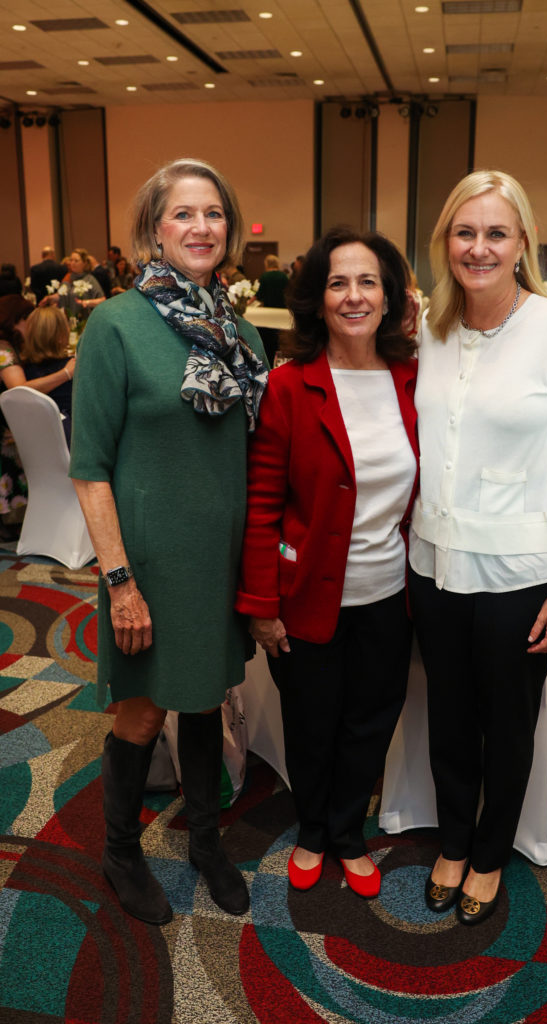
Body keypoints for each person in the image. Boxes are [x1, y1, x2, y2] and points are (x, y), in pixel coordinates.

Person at [69, 158, 268, 927]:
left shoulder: (240, 330)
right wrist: (119, 580)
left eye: (213, 213)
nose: (200, 227)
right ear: (154, 229)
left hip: (216, 560)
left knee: (206, 698)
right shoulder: (117, 323)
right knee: (146, 711)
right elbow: (89, 470)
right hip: (146, 562)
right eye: (183, 214)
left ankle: (205, 843)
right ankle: (121, 850)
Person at [409, 170, 547, 926]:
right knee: (449, 718)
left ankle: (490, 853)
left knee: (507, 722)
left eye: (496, 233)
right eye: (465, 232)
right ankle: (453, 841)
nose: (479, 247)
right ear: (444, 243)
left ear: (522, 241)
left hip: (521, 576)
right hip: (434, 565)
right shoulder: (429, 326)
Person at [236, 227, 418, 899]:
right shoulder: (287, 386)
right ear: (315, 299)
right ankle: (313, 829)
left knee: (370, 719)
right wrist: (260, 607)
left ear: (389, 295)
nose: (353, 295)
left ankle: (347, 833)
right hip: (304, 595)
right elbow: (259, 507)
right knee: (312, 724)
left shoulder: (412, 379)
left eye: (368, 281)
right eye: (338, 283)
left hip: (389, 594)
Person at [0, 296, 76, 535]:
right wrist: (67, 372)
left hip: (37, 451)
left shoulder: (28, 367)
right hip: (69, 448)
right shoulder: (5, 351)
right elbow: (18, 391)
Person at [22, 307, 74, 443]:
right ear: (60, 336)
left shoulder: (24, 371)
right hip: (73, 448)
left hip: (36, 449)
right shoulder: (73, 370)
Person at [41, 249, 105, 317]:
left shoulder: (90, 279)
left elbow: (102, 300)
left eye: (76, 261)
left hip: (84, 320)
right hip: (68, 319)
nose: (72, 263)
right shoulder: (68, 277)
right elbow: (62, 295)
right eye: (71, 260)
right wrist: (50, 298)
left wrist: (86, 302)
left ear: (84, 263)